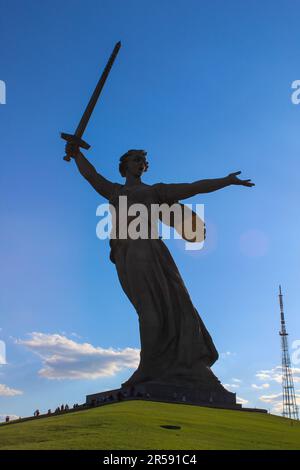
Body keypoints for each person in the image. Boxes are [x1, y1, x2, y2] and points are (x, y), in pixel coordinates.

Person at [66, 144, 254, 390]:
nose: (140, 163)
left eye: (142, 161)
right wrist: (76, 153)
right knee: (146, 308)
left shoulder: (155, 191)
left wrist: (226, 181)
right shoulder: (114, 191)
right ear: (124, 166)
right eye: (135, 159)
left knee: (156, 307)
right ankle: (157, 364)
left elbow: (193, 188)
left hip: (147, 250)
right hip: (123, 254)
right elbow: (91, 176)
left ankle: (151, 366)